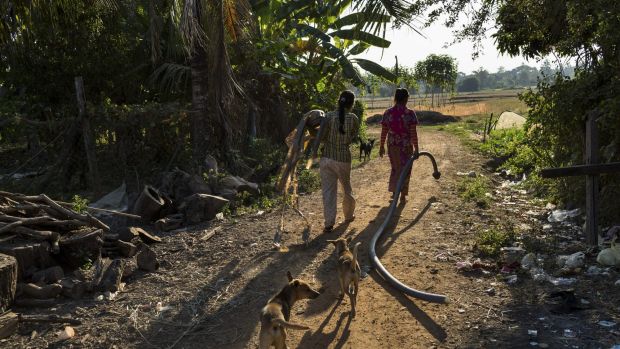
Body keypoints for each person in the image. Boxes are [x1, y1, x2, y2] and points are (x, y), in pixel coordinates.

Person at [319, 90, 359, 233]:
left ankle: (329, 223)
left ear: (338, 101)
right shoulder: (353, 118)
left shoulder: (328, 116)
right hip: (343, 159)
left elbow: (322, 136)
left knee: (328, 192)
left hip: (326, 158)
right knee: (346, 189)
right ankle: (348, 216)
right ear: (352, 103)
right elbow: (353, 135)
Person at [379, 88, 419, 205]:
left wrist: (381, 146)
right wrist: (416, 148)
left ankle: (394, 192)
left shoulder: (388, 113)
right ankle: (402, 196)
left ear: (395, 98)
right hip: (406, 146)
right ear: (406, 98)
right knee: (406, 170)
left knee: (396, 168)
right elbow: (413, 133)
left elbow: (384, 132)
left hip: (392, 145)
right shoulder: (410, 114)